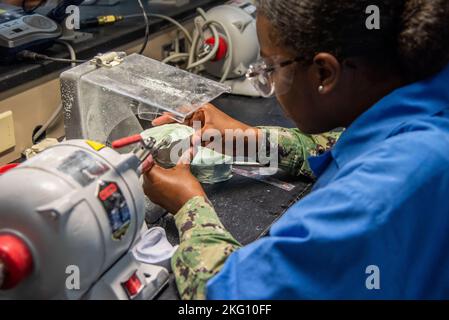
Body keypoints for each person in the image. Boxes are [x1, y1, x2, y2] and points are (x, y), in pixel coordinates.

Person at [143, 0, 449, 299]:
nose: (268, 79)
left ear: (324, 74)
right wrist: (246, 139)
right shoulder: (426, 101)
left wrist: (189, 205)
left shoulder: (370, 199)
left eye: (270, 67)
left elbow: (229, 295)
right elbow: (346, 144)